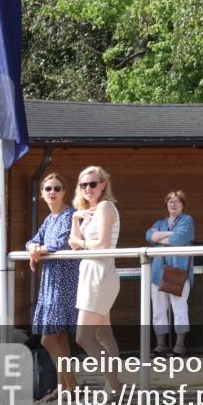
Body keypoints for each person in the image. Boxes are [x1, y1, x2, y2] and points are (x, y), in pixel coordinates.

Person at [69, 166, 122, 391]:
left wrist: (80, 243)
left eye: (92, 184)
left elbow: (101, 244)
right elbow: (73, 241)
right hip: (90, 272)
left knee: (84, 337)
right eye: (83, 185)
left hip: (100, 274)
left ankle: (115, 387)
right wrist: (74, 218)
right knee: (102, 332)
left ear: (103, 185)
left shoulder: (105, 207)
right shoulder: (89, 212)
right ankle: (113, 387)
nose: (88, 189)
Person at [26, 173, 79, 399]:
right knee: (59, 338)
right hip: (49, 281)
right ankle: (63, 387)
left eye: (57, 188)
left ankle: (73, 386)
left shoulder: (70, 215)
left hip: (64, 281)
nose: (52, 192)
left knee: (48, 338)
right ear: (42, 194)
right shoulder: (49, 219)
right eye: (48, 189)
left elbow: (62, 243)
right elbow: (33, 240)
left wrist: (40, 248)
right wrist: (33, 248)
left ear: (64, 192)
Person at [145, 190, 196, 357]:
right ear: (166, 204)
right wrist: (168, 235)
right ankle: (161, 345)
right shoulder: (159, 222)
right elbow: (149, 236)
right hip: (158, 273)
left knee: (179, 309)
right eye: (170, 202)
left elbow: (178, 240)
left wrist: (161, 238)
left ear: (183, 205)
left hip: (177, 271)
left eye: (177, 202)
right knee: (158, 311)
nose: (173, 204)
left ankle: (179, 346)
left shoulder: (187, 220)